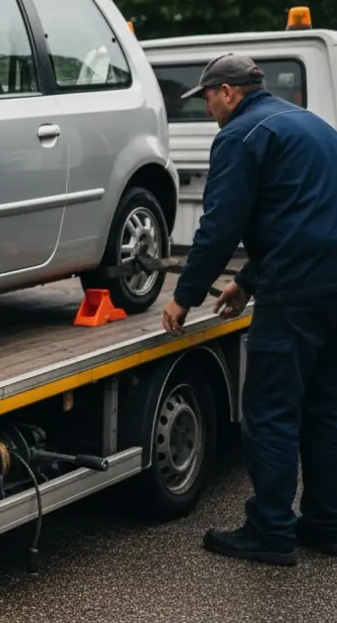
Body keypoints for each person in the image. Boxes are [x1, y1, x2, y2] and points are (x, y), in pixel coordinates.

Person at [162, 53, 337, 566]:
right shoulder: (315, 127)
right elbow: (302, 213)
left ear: (229, 92)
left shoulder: (241, 135)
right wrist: (244, 281)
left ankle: (270, 531)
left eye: (208, 98)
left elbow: (220, 226)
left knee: (271, 413)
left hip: (293, 296)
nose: (208, 109)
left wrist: (184, 295)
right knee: (325, 410)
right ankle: (326, 524)